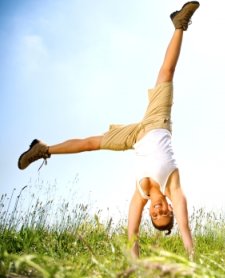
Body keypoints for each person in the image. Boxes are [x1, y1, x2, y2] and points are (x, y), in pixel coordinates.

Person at [18, 1, 200, 259]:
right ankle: (179, 25)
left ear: (151, 213)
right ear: (170, 208)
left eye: (155, 216)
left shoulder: (140, 196)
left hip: (134, 138)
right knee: (166, 73)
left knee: (90, 143)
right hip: (157, 122)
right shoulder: (173, 188)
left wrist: (136, 267)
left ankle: (43, 149)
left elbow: (132, 236)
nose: (158, 212)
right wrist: (192, 258)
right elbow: (185, 227)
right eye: (164, 214)